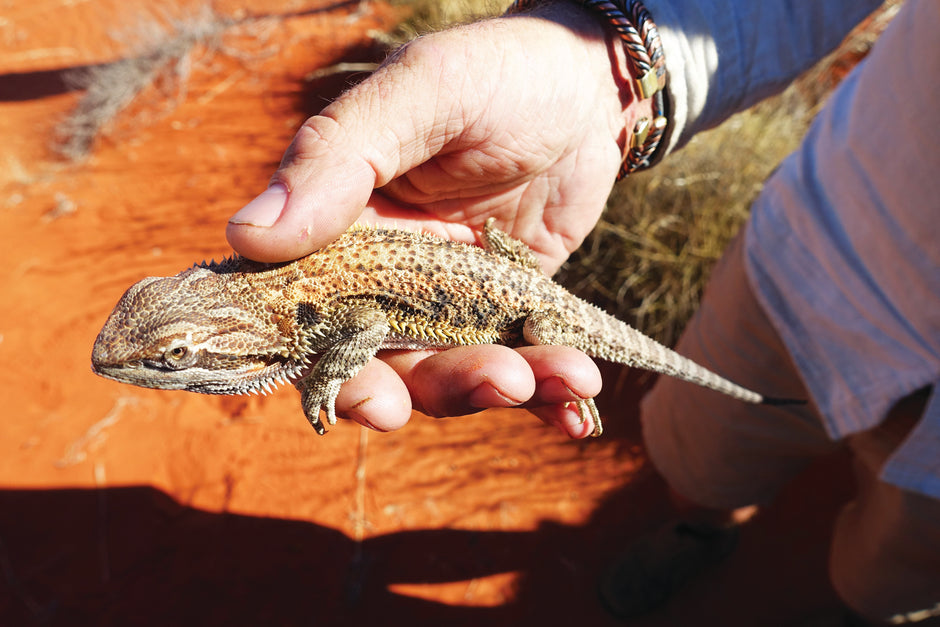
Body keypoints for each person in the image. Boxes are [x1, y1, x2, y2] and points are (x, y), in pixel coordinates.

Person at [225, 0, 940, 623]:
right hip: (824, 233)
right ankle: (702, 529)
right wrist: (602, 69)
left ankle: (866, 613)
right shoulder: (290, 281)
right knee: (703, 454)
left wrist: (324, 376)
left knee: (898, 560)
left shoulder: (312, 308)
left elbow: (370, 324)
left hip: (526, 305)